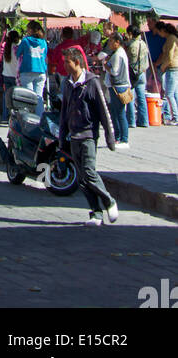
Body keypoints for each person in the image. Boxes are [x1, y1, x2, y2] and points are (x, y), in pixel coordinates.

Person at [58, 46, 118, 225]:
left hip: (88, 135)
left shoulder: (92, 83)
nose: (65, 66)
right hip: (73, 135)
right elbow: (64, 112)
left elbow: (103, 111)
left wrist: (110, 137)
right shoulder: (67, 83)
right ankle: (96, 213)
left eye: (67, 62)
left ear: (77, 62)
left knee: (89, 172)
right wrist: (63, 137)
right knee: (82, 179)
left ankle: (108, 200)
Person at [103, 32, 131, 147]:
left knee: (119, 113)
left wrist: (106, 65)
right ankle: (118, 137)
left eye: (111, 41)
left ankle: (124, 139)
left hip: (118, 86)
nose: (109, 43)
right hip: (117, 86)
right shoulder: (118, 53)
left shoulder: (118, 54)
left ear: (117, 42)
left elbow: (114, 71)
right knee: (115, 112)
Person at [17, 21, 48, 117]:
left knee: (28, 98)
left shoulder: (25, 41)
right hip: (41, 71)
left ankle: (29, 119)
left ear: (30, 30)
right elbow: (45, 55)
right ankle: (40, 119)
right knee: (39, 97)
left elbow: (17, 53)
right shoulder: (43, 42)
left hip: (27, 70)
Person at [125, 24, 150, 129]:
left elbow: (129, 60)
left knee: (131, 97)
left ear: (130, 33)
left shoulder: (131, 45)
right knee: (141, 97)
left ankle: (131, 121)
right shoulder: (143, 43)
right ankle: (144, 121)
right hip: (142, 73)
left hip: (133, 73)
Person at [154, 21, 178, 125]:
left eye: (159, 32)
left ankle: (175, 117)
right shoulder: (170, 38)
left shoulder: (171, 39)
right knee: (174, 93)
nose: (159, 34)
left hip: (172, 68)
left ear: (163, 30)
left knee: (169, 94)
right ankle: (175, 116)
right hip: (172, 68)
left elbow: (169, 55)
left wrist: (163, 66)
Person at [1, 30, 20, 123]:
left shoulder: (6, 48)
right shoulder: (17, 48)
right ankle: (15, 117)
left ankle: (6, 115)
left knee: (7, 97)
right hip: (15, 76)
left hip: (6, 74)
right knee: (16, 98)